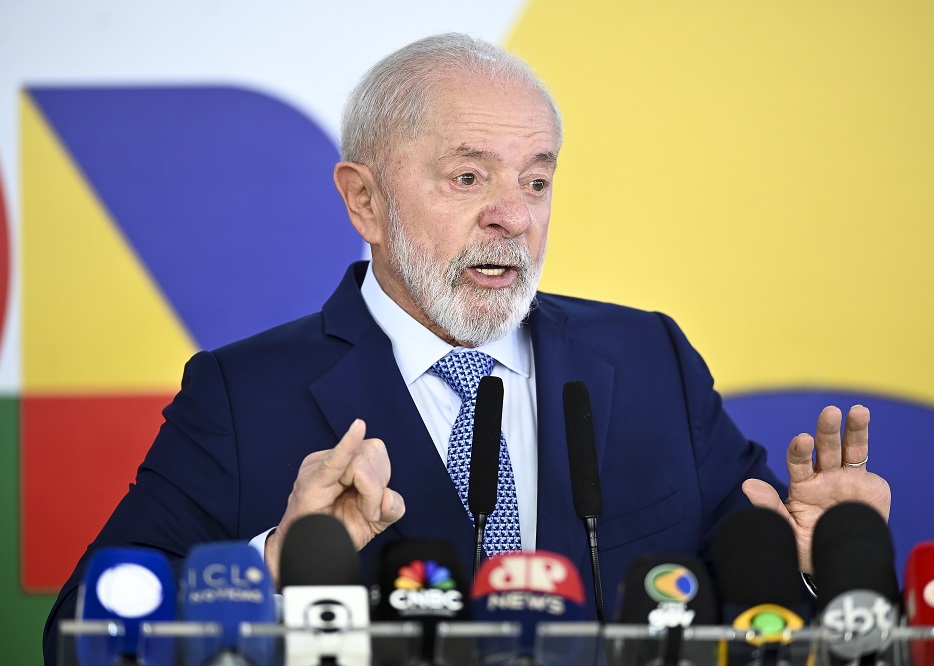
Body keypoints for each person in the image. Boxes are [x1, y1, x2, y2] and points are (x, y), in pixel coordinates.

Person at [43, 33, 890, 660]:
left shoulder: (648, 359)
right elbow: (78, 631)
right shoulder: (241, 395)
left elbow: (756, 606)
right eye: (469, 176)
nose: (513, 217)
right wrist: (274, 556)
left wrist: (813, 570)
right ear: (364, 201)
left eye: (536, 179)